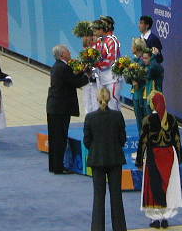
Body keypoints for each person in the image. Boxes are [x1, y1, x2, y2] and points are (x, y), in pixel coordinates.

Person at [136, 92, 182, 229]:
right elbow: (178, 141)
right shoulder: (172, 119)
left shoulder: (148, 120)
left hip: (153, 156)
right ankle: (165, 218)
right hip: (169, 156)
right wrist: (179, 158)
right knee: (169, 186)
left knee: (153, 186)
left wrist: (139, 160)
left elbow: (143, 142)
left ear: (152, 104)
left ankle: (155, 218)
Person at [83, 88, 128, 231]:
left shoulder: (90, 117)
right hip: (115, 160)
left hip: (97, 160)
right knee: (116, 197)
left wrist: (96, 149)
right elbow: (122, 139)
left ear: (97, 99)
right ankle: (120, 228)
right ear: (110, 99)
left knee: (98, 197)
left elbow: (86, 141)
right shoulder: (117, 116)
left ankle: (97, 228)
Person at [46, 44, 89, 174]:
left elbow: (71, 78)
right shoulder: (63, 68)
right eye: (68, 51)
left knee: (54, 138)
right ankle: (58, 168)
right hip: (60, 109)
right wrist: (87, 76)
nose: (70, 53)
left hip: (54, 107)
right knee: (60, 138)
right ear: (62, 55)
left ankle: (54, 166)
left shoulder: (57, 66)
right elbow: (75, 82)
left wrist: (81, 71)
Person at [94, 16, 121, 111]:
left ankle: (118, 125)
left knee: (113, 103)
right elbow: (94, 56)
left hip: (112, 78)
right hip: (101, 77)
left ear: (108, 25)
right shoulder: (99, 40)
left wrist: (96, 64)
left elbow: (111, 60)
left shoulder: (112, 40)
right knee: (101, 102)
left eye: (102, 23)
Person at [129, 38, 148, 134]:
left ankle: (146, 143)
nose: (131, 47)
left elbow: (144, 77)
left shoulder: (144, 61)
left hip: (142, 94)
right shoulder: (133, 60)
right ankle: (142, 144)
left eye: (133, 46)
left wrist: (135, 79)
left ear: (137, 48)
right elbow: (129, 78)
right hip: (135, 93)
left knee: (144, 119)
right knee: (138, 120)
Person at [141, 48, 164, 117]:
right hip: (146, 97)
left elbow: (151, 71)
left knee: (155, 121)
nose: (144, 60)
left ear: (151, 58)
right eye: (143, 58)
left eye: (146, 58)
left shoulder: (156, 67)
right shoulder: (147, 66)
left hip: (155, 99)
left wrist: (153, 55)